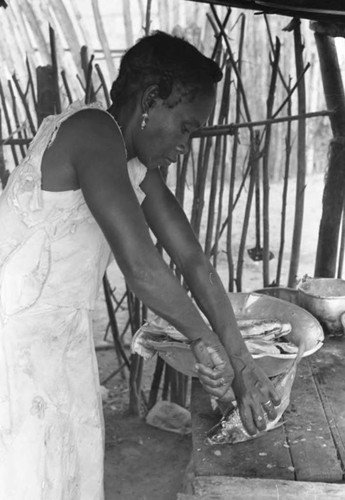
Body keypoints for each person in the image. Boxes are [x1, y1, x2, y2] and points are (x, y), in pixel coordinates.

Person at [0, 31, 280, 499]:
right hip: (12, 346)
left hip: (59, 344)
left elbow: (193, 261)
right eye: (187, 126)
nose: (187, 145)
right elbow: (142, 266)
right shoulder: (91, 132)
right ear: (152, 99)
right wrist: (203, 339)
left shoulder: (133, 167)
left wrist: (242, 362)